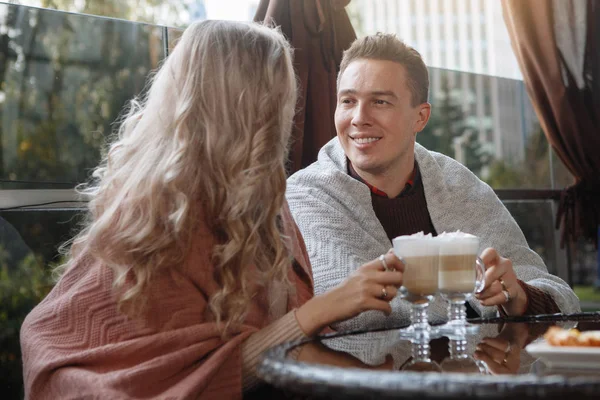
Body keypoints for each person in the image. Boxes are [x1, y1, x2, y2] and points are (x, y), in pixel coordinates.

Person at [20, 21, 405, 399]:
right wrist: (320, 312)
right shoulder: (159, 216)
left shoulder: (267, 202)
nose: (290, 109)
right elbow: (185, 375)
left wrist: (345, 334)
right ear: (249, 103)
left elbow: (269, 347)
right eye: (282, 93)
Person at [286, 33, 580, 331]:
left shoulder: (459, 184)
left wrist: (518, 295)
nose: (359, 118)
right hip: (354, 374)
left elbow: (561, 300)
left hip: (475, 371)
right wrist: (462, 300)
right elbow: (350, 315)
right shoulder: (304, 197)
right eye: (348, 101)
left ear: (421, 117)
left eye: (380, 101)